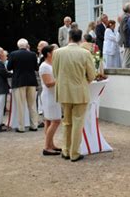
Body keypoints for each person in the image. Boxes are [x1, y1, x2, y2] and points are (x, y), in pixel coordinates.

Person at [53, 29, 96, 162]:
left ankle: (66, 150)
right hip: (80, 92)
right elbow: (92, 75)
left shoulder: (58, 52)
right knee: (78, 122)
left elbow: (56, 73)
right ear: (80, 39)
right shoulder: (85, 53)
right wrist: (84, 82)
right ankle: (74, 152)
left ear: (69, 37)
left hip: (64, 91)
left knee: (67, 122)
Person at [7, 38, 40, 133]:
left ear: (18, 46)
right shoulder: (32, 54)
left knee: (20, 105)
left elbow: (9, 67)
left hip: (19, 81)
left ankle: (21, 127)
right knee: (32, 104)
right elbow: (36, 68)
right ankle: (34, 125)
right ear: (27, 45)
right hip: (31, 81)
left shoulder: (13, 54)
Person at [39, 45, 62, 156]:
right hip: (49, 96)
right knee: (56, 121)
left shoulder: (50, 65)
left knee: (49, 121)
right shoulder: (44, 66)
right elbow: (48, 83)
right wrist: (61, 79)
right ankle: (47, 147)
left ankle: (50, 144)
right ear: (48, 53)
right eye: (54, 51)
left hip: (53, 95)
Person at [119, 3, 130, 68]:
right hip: (128, 41)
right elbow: (125, 29)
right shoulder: (126, 17)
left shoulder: (125, 16)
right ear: (129, 9)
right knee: (127, 59)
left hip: (127, 40)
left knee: (127, 58)